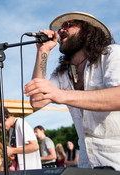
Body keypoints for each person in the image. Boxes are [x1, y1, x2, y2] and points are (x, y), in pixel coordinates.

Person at [24, 11, 120, 170]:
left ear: (89, 31)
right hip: (86, 164)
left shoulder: (111, 54)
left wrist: (61, 95)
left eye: (69, 25)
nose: (61, 30)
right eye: (61, 27)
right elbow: (36, 100)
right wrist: (43, 51)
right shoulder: (63, 74)